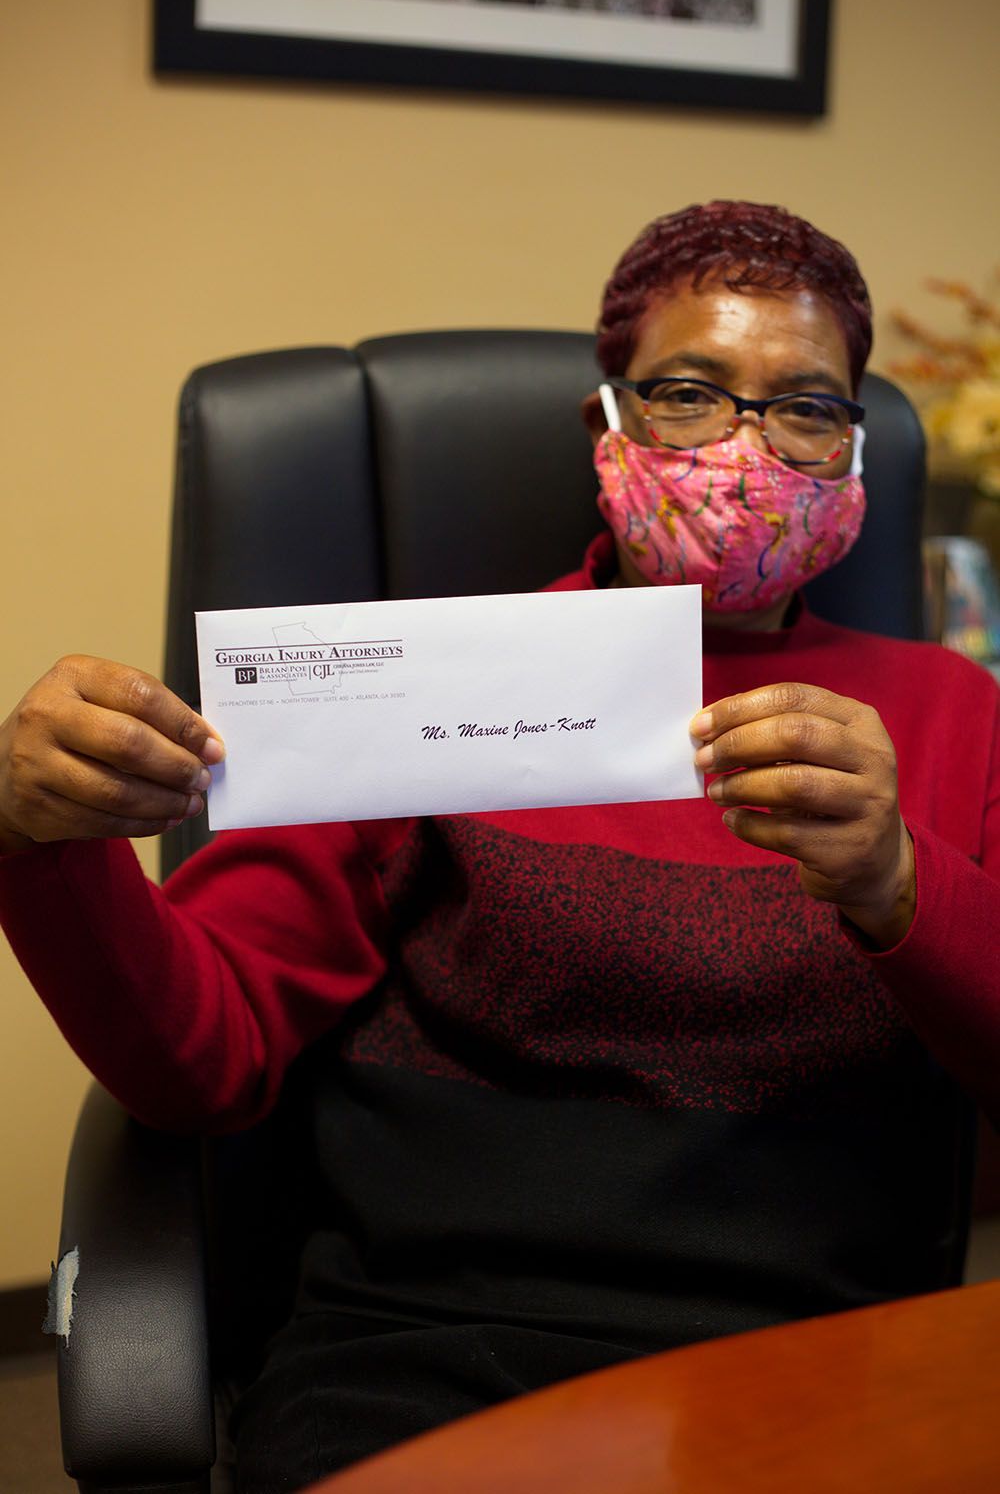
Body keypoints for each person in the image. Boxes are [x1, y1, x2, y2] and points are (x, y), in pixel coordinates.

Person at [1, 200, 998, 1491]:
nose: (750, 452)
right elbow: (206, 1057)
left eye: (807, 407)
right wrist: (41, 841)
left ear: (857, 452)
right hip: (432, 1358)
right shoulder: (423, 678)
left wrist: (898, 882)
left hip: (818, 1363)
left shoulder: (951, 713)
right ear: (609, 426)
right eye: (692, 394)